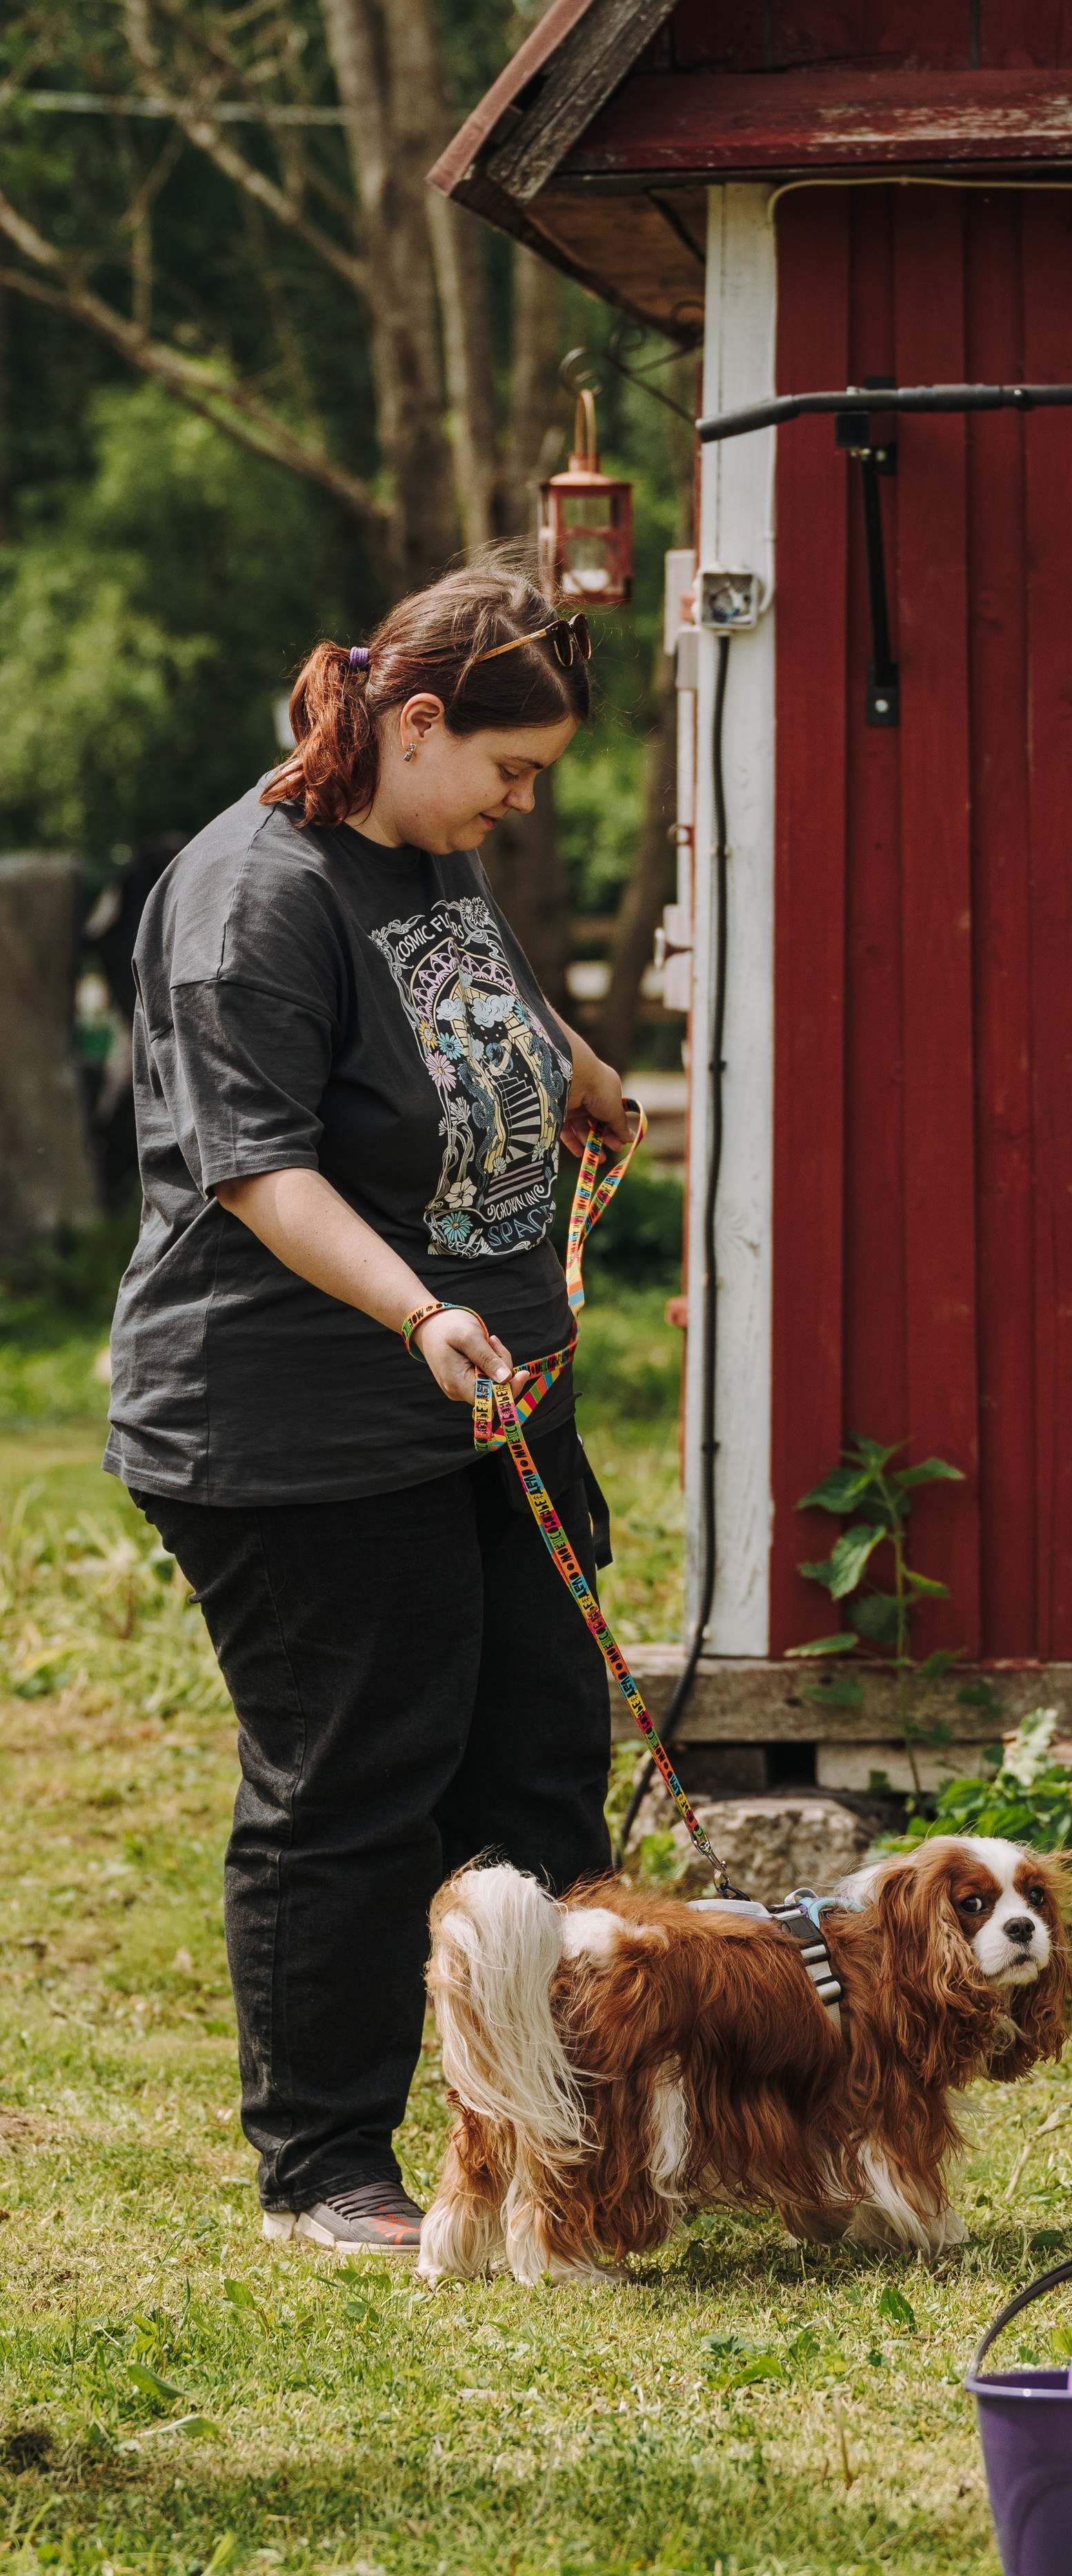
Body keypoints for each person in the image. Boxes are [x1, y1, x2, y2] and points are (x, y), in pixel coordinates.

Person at [105, 564, 630, 2254]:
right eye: (511, 767)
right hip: (300, 1421)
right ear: (416, 724)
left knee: (541, 1761)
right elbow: (258, 1167)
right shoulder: (245, 897)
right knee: (361, 1779)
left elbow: (442, 986)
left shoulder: (418, 845)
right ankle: (325, 2165)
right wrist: (420, 1308)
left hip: (487, 1405)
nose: (520, 802)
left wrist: (567, 1061)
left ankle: (541, 2139)